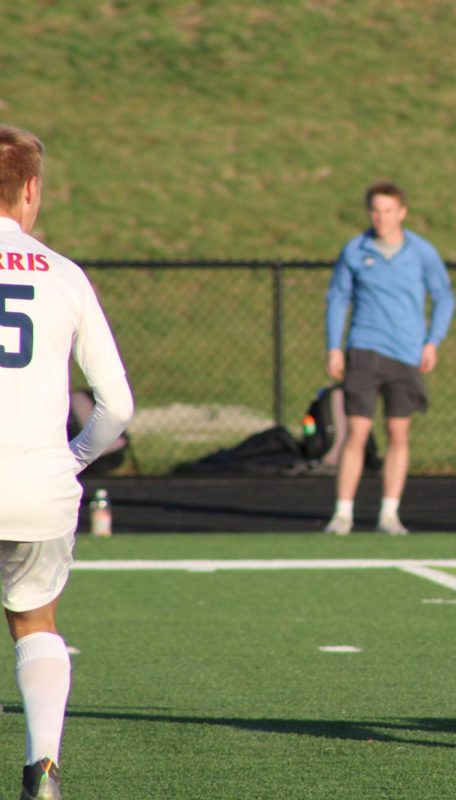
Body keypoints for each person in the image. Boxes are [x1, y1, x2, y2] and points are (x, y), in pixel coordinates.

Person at [0, 125, 135, 799]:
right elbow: (116, 405)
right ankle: (42, 769)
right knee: (34, 621)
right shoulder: (64, 275)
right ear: (30, 191)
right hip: (39, 485)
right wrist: (73, 461)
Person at [323, 182, 455, 535]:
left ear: (402, 213)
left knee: (398, 431)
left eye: (388, 210)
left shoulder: (421, 252)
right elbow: (338, 298)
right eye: (375, 210)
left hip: (406, 353)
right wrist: (334, 346)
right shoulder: (355, 250)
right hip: (364, 351)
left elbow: (444, 296)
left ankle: (389, 514)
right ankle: (343, 514)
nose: (381, 217)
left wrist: (432, 342)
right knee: (357, 431)